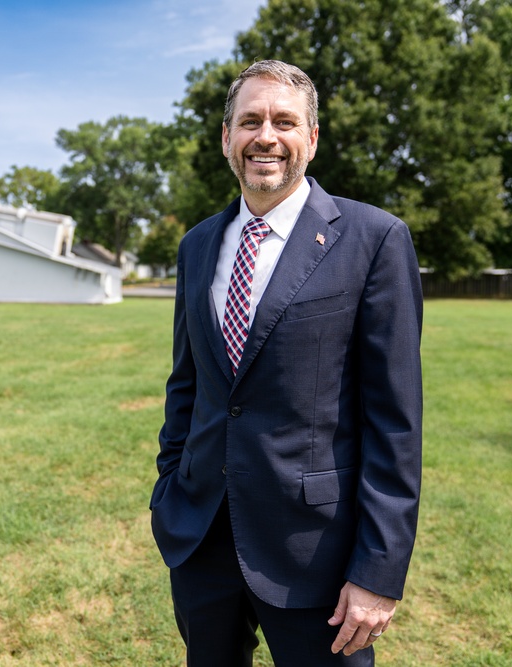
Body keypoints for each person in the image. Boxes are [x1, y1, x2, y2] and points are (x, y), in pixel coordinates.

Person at [149, 59, 423, 666]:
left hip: (316, 553)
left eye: (284, 121)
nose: (265, 136)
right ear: (227, 138)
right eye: (249, 121)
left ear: (312, 138)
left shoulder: (374, 239)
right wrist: (168, 488)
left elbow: (395, 423)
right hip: (201, 540)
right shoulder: (197, 245)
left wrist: (378, 569)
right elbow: (187, 384)